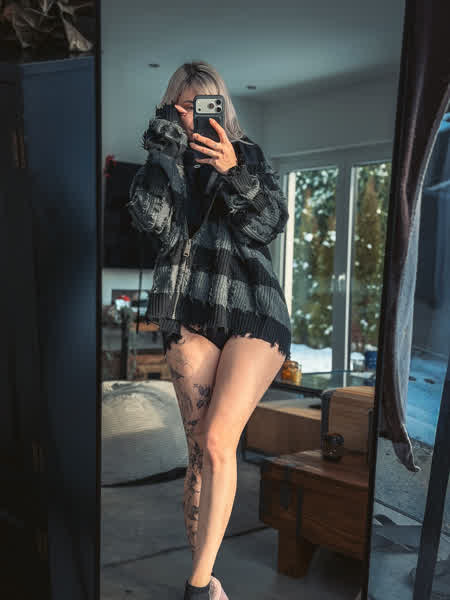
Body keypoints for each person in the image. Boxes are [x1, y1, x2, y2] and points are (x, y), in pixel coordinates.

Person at [126, 60, 292, 600]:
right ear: (169, 106)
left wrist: (233, 169)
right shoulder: (161, 162)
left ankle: (197, 589)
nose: (193, 117)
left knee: (220, 438)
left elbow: (269, 224)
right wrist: (162, 150)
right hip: (188, 312)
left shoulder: (248, 155)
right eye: (183, 106)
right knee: (201, 452)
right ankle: (210, 586)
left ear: (221, 106)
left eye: (204, 106)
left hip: (253, 309)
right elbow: (151, 222)